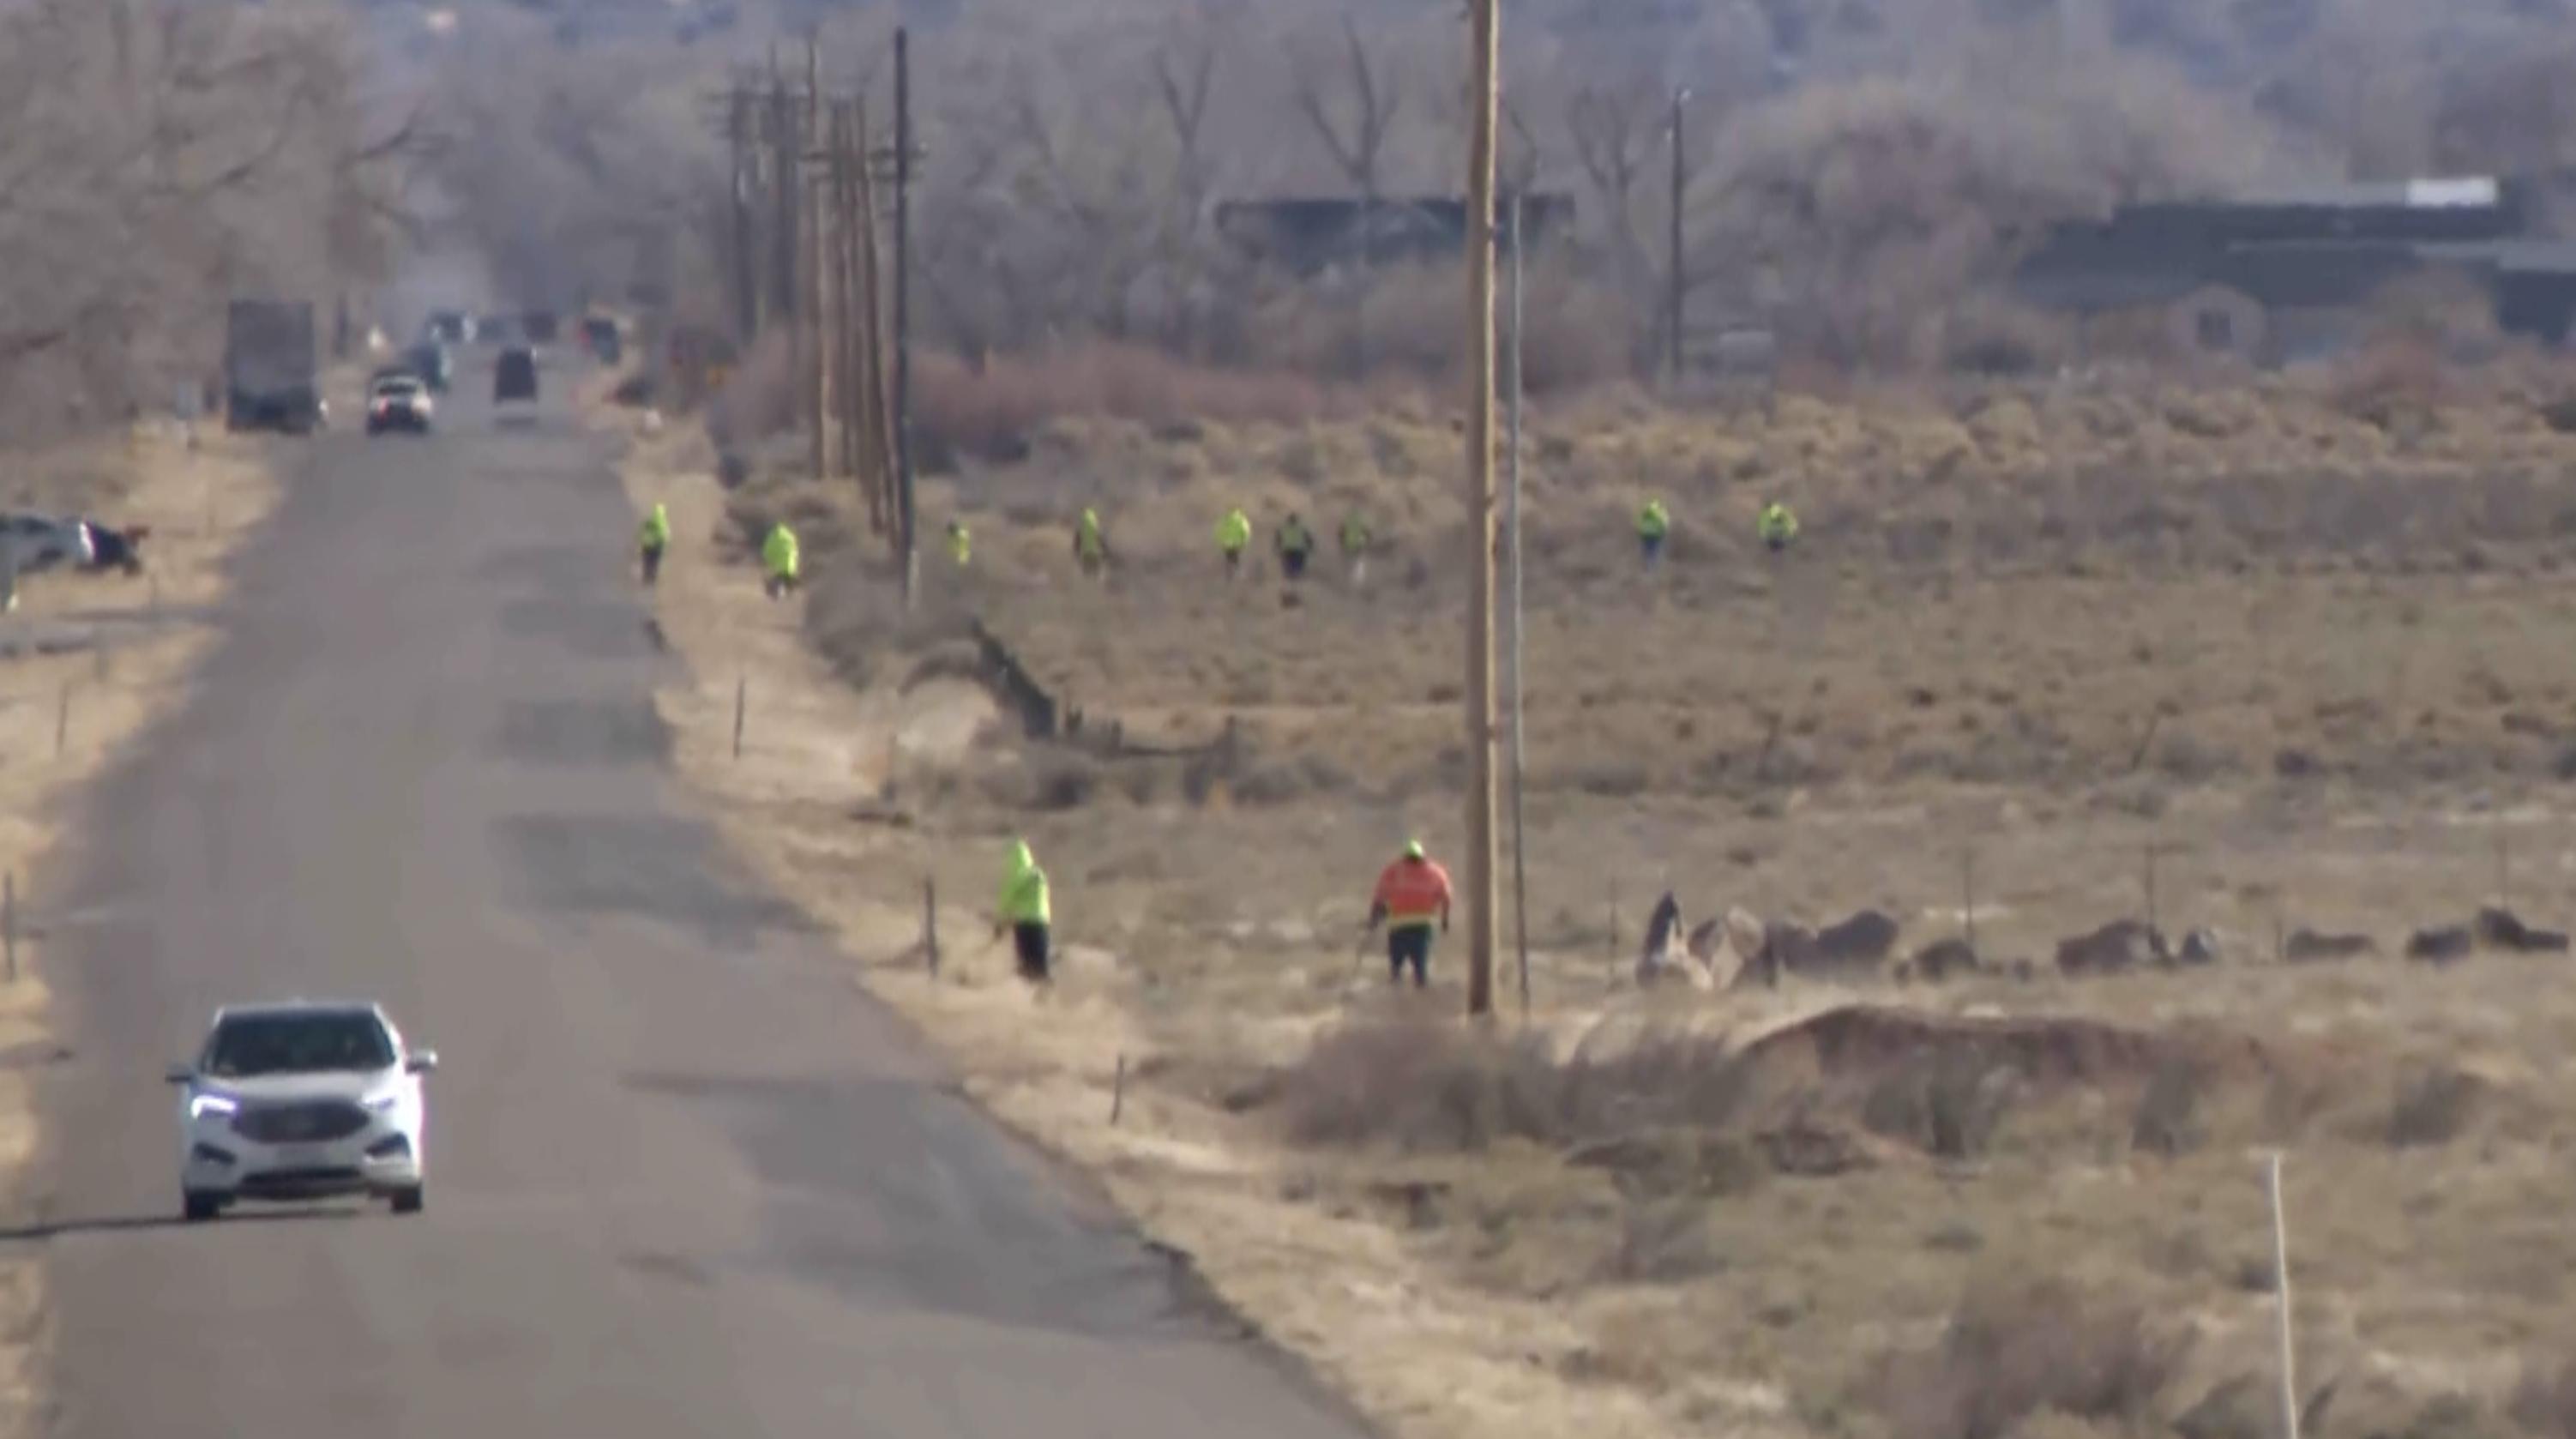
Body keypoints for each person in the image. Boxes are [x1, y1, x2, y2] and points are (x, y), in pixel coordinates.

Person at [1366, 839, 1454, 990]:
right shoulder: (1435, 872)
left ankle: (1397, 997)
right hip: (1421, 928)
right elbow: (1446, 897)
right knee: (1420, 968)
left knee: (1396, 969)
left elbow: (1380, 895)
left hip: (1399, 927)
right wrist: (1445, 920)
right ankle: (1419, 996)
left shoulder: (1394, 871)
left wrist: (1374, 918)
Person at [992, 838, 1052, 983]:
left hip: (1025, 925)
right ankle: (1046, 997)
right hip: (1042, 923)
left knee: (1026, 965)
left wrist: (999, 924)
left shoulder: (1017, 877)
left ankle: (1025, 997)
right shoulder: (1039, 875)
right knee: (1041, 965)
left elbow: (1006, 901)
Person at [761, 520, 799, 599]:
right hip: (790, 566)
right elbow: (795, 550)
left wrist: (768, 559)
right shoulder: (790, 536)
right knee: (786, 579)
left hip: (779, 567)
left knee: (778, 579)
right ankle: (787, 591)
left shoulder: (772, 537)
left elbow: (767, 550)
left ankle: (778, 593)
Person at [1275, 511, 1315, 581]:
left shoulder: (1283, 528)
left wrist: (1277, 547)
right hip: (1299, 549)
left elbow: (1278, 539)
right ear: (1296, 521)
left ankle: (1289, 572)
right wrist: (1310, 547)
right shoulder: (1302, 528)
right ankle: (1296, 572)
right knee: (1299, 561)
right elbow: (1308, 538)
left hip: (1287, 549)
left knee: (1287, 560)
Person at [637, 502, 671, 587]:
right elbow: (666, 537)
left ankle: (646, 576)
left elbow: (643, 531)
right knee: (654, 562)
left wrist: (641, 539)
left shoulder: (650, 521)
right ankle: (652, 577)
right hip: (657, 547)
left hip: (647, 544)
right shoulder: (663, 524)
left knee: (646, 561)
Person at [1339, 510, 1373, 587]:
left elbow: (1341, 534)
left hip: (1347, 546)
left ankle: (1346, 581)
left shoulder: (1346, 523)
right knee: (1358, 564)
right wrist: (1368, 542)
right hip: (1358, 547)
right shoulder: (1361, 523)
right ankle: (1358, 583)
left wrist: (1342, 544)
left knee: (1348, 564)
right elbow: (1368, 534)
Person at [1216, 507, 1252, 579]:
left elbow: (1219, 531)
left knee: (1229, 559)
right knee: (1236, 558)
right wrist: (1244, 541)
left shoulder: (1225, 520)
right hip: (1237, 543)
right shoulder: (1241, 520)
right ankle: (1238, 573)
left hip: (1227, 543)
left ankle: (1229, 574)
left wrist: (1220, 541)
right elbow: (1246, 532)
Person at [1636, 497, 1670, 569]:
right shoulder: (1660, 512)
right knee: (1654, 552)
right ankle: (1652, 567)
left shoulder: (1646, 511)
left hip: (1645, 534)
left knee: (1646, 551)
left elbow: (1639, 522)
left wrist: (1640, 531)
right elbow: (1664, 523)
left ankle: (1646, 565)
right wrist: (1663, 532)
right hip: (1656, 535)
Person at [1074, 507, 1107, 579]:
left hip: (1085, 554)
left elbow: (1077, 542)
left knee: (1087, 575)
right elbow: (1101, 539)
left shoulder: (1082, 527)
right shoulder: (1096, 525)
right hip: (1096, 553)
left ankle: (1088, 588)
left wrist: (1076, 553)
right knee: (1096, 574)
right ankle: (1096, 588)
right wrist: (1104, 551)